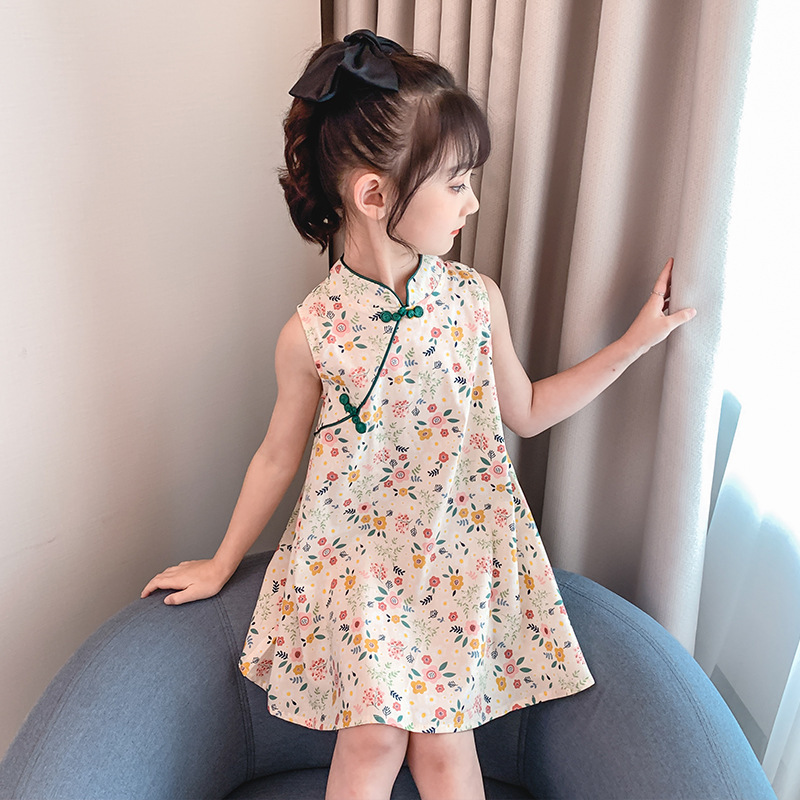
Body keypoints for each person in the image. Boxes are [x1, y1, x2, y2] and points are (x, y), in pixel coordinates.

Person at [142, 29, 697, 800]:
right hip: (359, 565)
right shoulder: (311, 331)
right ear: (374, 197)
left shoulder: (475, 300)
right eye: (457, 183)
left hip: (453, 556)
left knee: (443, 748)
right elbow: (276, 455)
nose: (473, 201)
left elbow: (529, 410)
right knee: (370, 740)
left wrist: (634, 345)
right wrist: (220, 561)